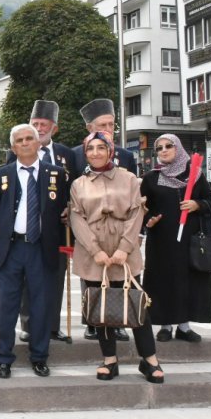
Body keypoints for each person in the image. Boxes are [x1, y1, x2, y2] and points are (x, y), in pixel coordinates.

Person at [69, 131, 164, 383]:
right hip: (94, 254)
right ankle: (109, 360)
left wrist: (125, 247)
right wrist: (95, 250)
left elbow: (137, 213)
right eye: (91, 149)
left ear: (111, 150)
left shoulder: (130, 179)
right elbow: (76, 218)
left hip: (125, 253)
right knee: (101, 308)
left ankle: (150, 359)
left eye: (101, 148)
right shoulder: (79, 184)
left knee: (137, 303)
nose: (96, 153)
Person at [0, 124, 68, 379]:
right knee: (7, 306)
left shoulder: (56, 174)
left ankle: (39, 356)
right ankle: (4, 358)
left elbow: (65, 207)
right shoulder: (1, 175)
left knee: (41, 305)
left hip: (41, 248)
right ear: (13, 147)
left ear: (38, 143)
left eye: (29, 138)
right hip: (11, 248)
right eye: (19, 140)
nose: (24, 143)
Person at [7, 100, 77, 344]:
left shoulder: (67, 155)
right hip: (27, 226)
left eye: (43, 124)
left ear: (53, 128)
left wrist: (71, 208)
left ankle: (53, 325)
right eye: (35, 124)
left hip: (58, 229)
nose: (39, 128)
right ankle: (28, 324)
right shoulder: (14, 153)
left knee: (54, 277)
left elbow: (75, 188)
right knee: (28, 278)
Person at [71, 98, 134, 341]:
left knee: (117, 274)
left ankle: (116, 321)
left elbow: (135, 191)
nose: (108, 129)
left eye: (111, 124)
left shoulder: (126, 155)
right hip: (90, 225)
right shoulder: (78, 154)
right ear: (90, 128)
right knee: (91, 275)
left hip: (118, 228)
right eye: (103, 125)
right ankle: (91, 320)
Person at [142, 134, 211, 343]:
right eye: (159, 148)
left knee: (187, 280)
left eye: (168, 146)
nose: (163, 150)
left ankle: (184, 326)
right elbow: (142, 207)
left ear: (178, 148)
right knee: (164, 280)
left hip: (189, 240)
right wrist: (149, 220)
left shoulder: (195, 174)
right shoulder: (151, 178)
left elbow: (210, 199)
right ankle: (165, 324)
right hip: (161, 241)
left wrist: (196, 205)